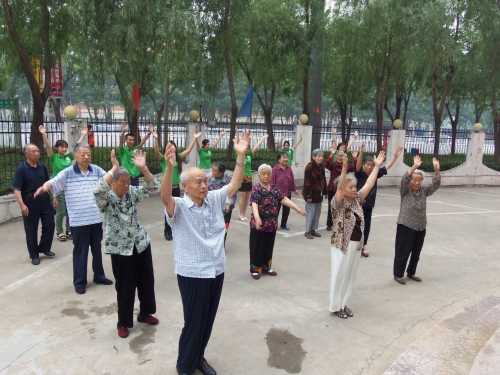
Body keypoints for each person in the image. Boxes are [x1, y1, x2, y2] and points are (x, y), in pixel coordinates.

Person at [161, 130, 249, 375]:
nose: (204, 184)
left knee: (207, 320)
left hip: (216, 269)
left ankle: (198, 357)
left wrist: (240, 157)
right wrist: (169, 168)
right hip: (193, 273)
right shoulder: (179, 207)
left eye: (205, 180)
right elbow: (165, 196)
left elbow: (235, 184)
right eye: (198, 182)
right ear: (186, 186)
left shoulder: (214, 198)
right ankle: (185, 366)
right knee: (194, 322)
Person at [94, 150, 159, 339]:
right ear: (112, 182)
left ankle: (145, 312)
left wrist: (143, 168)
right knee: (125, 286)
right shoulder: (106, 199)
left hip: (140, 243)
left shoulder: (132, 192)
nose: (126, 185)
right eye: (122, 182)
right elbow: (97, 190)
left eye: (128, 181)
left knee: (146, 281)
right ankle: (123, 322)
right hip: (120, 249)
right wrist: (114, 167)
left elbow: (152, 186)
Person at [35, 143, 113, 295]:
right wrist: (44, 187)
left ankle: (99, 276)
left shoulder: (96, 170)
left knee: (97, 250)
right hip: (78, 221)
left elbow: (109, 179)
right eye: (83, 154)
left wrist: (115, 168)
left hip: (96, 218)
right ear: (75, 156)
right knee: (80, 252)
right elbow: (53, 182)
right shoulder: (68, 173)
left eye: (88, 154)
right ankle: (79, 282)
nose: (86, 157)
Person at [329, 151, 386, 319]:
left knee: (349, 276)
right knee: (339, 275)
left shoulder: (356, 199)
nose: (355, 189)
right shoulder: (337, 202)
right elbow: (340, 187)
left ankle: (342, 303)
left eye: (355, 186)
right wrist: (345, 167)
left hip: (355, 244)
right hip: (341, 244)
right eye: (351, 186)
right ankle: (334, 306)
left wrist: (377, 166)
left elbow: (369, 183)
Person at [249, 164, 307, 280]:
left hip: (271, 224)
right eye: (263, 174)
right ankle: (255, 268)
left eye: (268, 174)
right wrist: (257, 217)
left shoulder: (274, 189)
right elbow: (254, 204)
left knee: (269, 246)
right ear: (259, 175)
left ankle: (266, 267)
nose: (266, 176)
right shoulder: (256, 190)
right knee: (257, 246)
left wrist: (297, 208)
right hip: (259, 224)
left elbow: (284, 199)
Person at [393, 155, 441, 285]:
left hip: (420, 227)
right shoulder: (405, 191)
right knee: (403, 251)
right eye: (414, 180)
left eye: (419, 180)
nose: (417, 182)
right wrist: (414, 167)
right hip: (406, 226)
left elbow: (436, 184)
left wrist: (436, 170)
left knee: (416, 251)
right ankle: (398, 274)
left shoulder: (424, 191)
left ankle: (411, 271)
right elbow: (404, 179)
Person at [152, 124, 201, 241]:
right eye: (170, 147)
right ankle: (167, 231)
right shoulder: (164, 159)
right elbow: (156, 151)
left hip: (176, 187)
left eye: (173, 146)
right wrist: (155, 138)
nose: (172, 148)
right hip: (167, 189)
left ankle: (174, 230)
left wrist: (194, 138)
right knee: (168, 209)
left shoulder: (178, 157)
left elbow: (189, 150)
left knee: (176, 210)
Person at [39, 124, 86, 241]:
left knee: (70, 209)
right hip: (57, 187)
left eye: (65, 147)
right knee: (61, 211)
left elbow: (77, 147)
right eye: (61, 147)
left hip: (69, 186)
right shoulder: (54, 157)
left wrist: (84, 135)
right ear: (57, 148)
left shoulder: (68, 157)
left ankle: (69, 230)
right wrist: (43, 134)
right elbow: (48, 148)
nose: (64, 149)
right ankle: (59, 231)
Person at [355, 144, 404, 257]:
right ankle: (353, 245)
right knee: (356, 226)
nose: (369, 167)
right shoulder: (360, 175)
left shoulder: (375, 174)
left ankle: (363, 246)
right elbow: (357, 166)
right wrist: (361, 152)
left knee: (366, 226)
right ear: (363, 165)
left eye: (372, 165)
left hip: (369, 204)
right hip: (358, 205)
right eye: (367, 164)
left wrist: (395, 157)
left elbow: (386, 167)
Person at [12, 144, 56, 265]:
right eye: (33, 152)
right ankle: (34, 254)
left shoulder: (42, 166)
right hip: (29, 200)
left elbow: (48, 182)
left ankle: (44, 247)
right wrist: (22, 205)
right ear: (26, 153)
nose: (37, 154)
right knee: (31, 229)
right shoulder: (22, 168)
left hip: (44, 199)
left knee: (50, 224)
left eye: (37, 151)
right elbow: (16, 189)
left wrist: (54, 196)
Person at [325, 146, 358, 232]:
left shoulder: (346, 166)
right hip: (332, 189)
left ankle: (340, 223)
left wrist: (355, 158)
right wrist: (331, 154)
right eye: (338, 156)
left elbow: (356, 167)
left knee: (343, 207)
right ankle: (329, 224)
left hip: (343, 190)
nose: (340, 157)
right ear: (336, 156)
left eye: (342, 156)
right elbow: (327, 164)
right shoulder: (333, 165)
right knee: (331, 207)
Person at [237, 133, 268, 221]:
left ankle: (244, 213)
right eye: (245, 147)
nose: (247, 149)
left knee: (247, 196)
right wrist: (240, 136)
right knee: (242, 196)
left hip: (249, 177)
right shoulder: (240, 155)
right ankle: (240, 213)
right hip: (242, 178)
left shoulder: (249, 155)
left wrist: (262, 138)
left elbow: (256, 147)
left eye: (248, 148)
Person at [208, 161, 237, 245]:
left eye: (215, 171)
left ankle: (221, 244)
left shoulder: (230, 180)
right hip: (212, 207)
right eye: (212, 170)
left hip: (225, 208)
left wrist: (229, 204)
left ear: (222, 172)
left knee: (224, 226)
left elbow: (233, 193)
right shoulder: (209, 179)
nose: (212, 172)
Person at [303, 149, 327, 239]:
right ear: (314, 157)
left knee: (317, 213)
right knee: (311, 213)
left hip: (319, 194)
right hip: (311, 194)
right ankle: (308, 231)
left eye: (321, 156)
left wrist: (325, 191)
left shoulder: (321, 166)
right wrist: (308, 195)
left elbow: (323, 179)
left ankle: (313, 230)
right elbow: (307, 182)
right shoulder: (309, 167)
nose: (320, 158)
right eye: (318, 156)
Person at [271, 152, 299, 230]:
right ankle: (274, 224)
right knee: (276, 210)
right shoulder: (275, 169)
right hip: (277, 194)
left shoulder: (289, 168)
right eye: (283, 158)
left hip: (287, 193)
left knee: (286, 210)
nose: (285, 159)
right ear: (279, 160)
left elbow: (292, 179)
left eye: (286, 157)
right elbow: (272, 182)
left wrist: (295, 189)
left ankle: (283, 224)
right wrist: (272, 192)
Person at [118, 122, 151, 186]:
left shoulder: (135, 149)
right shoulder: (123, 150)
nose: (132, 141)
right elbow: (121, 142)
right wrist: (123, 131)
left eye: (133, 140)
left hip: (136, 178)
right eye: (130, 140)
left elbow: (143, 141)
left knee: (136, 195)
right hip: (126, 178)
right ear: (126, 140)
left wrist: (149, 133)